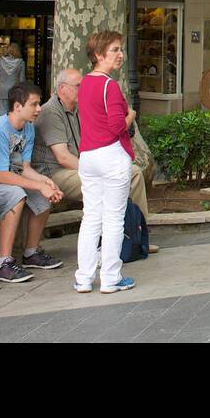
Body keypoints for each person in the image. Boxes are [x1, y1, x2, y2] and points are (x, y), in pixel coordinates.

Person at [32, 69, 159, 253]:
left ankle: (138, 237)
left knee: (134, 173)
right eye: (78, 86)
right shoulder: (50, 112)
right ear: (62, 89)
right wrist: (99, 169)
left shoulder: (80, 108)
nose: (82, 89)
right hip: (54, 173)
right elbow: (63, 158)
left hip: (80, 166)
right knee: (103, 183)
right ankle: (108, 245)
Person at [0, 82, 64, 282]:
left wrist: (45, 182)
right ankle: (3, 263)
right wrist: (38, 185)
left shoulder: (28, 129)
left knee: (43, 192)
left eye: (39, 104)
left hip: (7, 174)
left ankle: (31, 253)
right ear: (18, 106)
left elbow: (25, 168)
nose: (39, 109)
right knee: (15, 195)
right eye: (34, 104)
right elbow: (1, 176)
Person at [75, 30, 137, 295]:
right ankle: (111, 278)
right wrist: (131, 115)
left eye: (120, 49)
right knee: (113, 219)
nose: (120, 54)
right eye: (114, 50)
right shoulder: (109, 85)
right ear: (99, 55)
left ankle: (84, 278)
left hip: (88, 157)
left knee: (90, 218)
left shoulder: (84, 84)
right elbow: (115, 127)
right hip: (111, 155)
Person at [0, 42, 25, 117]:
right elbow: (22, 80)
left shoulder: (0, 61)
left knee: (2, 114)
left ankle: (4, 127)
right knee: (13, 113)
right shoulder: (21, 62)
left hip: (2, 91)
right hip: (14, 92)